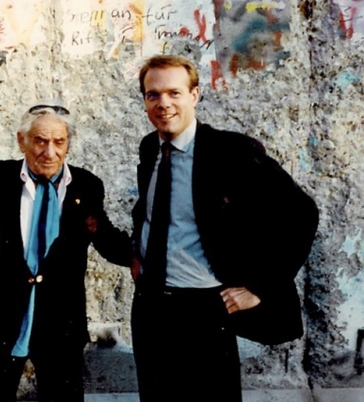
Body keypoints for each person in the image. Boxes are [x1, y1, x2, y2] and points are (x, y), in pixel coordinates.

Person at [131, 55, 319, 401]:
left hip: (205, 308)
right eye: (153, 95)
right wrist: (138, 253)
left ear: (195, 95)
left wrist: (259, 287)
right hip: (150, 306)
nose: (163, 104)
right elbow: (154, 212)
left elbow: (302, 214)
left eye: (174, 92)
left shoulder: (230, 152)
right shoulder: (150, 149)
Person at [0, 104, 132, 402]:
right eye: (40, 141)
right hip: (3, 320)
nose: (50, 152)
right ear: (22, 141)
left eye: (59, 142)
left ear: (68, 144)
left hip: (61, 323)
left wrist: (146, 256)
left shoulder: (87, 186)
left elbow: (105, 236)